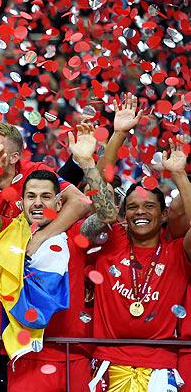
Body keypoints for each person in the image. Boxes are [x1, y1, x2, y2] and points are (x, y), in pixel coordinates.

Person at [0, 121, 91, 392]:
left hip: (34, 288)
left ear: (15, 157)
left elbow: (79, 202)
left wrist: (40, 238)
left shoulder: (37, 175)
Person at [73, 125, 191, 391]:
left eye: (149, 206)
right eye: (133, 207)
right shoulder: (112, 240)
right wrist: (95, 156)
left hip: (161, 369)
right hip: (107, 365)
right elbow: (101, 204)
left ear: (163, 216)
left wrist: (180, 175)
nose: (141, 212)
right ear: (124, 215)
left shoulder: (177, 251)